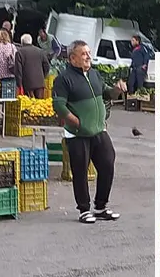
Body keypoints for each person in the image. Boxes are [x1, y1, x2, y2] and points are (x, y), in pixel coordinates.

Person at [52, 40, 127, 224]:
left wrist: (117, 90)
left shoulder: (94, 74)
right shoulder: (64, 79)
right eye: (83, 54)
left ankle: (100, 207)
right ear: (72, 58)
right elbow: (59, 106)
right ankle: (84, 210)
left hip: (99, 130)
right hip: (77, 135)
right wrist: (76, 122)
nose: (88, 57)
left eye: (88, 53)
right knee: (80, 172)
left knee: (108, 163)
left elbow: (107, 93)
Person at [14, 33, 50, 98]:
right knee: (40, 103)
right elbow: (47, 66)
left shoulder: (19, 53)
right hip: (40, 82)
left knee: (28, 103)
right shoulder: (40, 51)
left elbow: (18, 70)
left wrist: (19, 84)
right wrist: (43, 76)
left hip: (27, 83)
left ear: (22, 42)